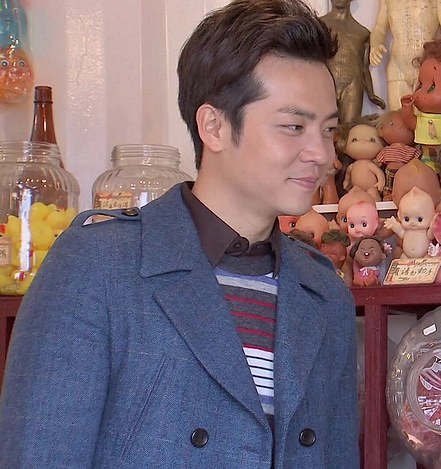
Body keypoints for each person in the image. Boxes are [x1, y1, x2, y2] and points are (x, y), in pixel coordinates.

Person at [0, 1, 359, 468]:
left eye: (328, 130)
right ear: (214, 126)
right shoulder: (98, 266)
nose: (321, 154)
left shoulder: (324, 292)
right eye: (294, 126)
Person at [368, 0, 441, 110]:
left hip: (425, 65)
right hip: (397, 66)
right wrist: (375, 45)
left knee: (424, 116)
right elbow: (379, 28)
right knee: (397, 116)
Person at [318, 0, 385, 125]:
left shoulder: (362, 32)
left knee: (349, 128)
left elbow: (364, 68)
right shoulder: (319, 25)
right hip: (325, 83)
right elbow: (310, 60)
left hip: (353, 85)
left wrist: (371, 94)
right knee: (321, 126)